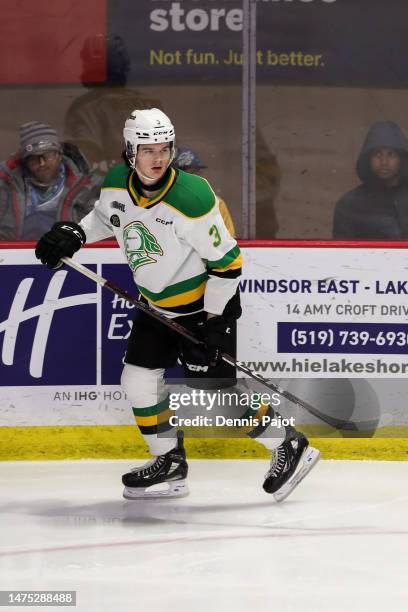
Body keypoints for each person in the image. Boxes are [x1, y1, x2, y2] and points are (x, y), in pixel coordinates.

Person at [35, 108, 319, 501]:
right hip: (155, 308)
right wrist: (75, 233)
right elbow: (107, 217)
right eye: (148, 149)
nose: (158, 157)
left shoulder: (192, 196)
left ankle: (288, 443)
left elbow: (228, 264)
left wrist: (214, 322)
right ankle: (169, 462)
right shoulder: (118, 183)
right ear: (130, 152)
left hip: (202, 310)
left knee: (217, 397)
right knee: (137, 382)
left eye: (165, 148)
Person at [64, 34, 163, 175]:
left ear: (97, 66)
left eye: (86, 62)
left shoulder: (84, 107)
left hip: (109, 186)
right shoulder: (150, 102)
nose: (83, 67)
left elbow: (83, 158)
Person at [0, 121, 101, 240]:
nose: (41, 163)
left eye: (46, 156)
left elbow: (100, 229)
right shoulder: (5, 185)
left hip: (69, 254)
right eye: (34, 159)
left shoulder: (88, 187)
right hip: (13, 255)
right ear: (25, 162)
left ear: (59, 155)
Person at [333, 121, 408, 239]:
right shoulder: (349, 205)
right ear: (367, 158)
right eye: (377, 155)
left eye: (391, 155)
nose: (384, 162)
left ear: (401, 159)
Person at [173, 147, 236, 237]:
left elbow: (229, 239)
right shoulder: (162, 203)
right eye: (188, 172)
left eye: (197, 172)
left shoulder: (216, 203)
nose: (194, 176)